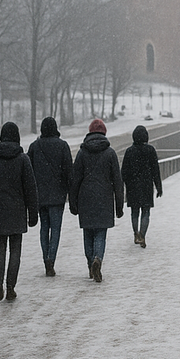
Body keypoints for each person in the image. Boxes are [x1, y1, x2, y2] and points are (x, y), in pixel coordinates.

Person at [0, 122, 38, 301]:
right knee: (15, 251)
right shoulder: (22, 159)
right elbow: (30, 188)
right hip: (17, 210)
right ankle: (10, 286)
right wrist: (33, 213)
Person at [70, 118, 123, 282]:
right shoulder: (110, 153)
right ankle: (97, 259)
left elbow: (75, 179)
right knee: (100, 232)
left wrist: (73, 202)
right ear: (104, 133)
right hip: (104, 197)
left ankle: (90, 265)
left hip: (85, 197)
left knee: (88, 232)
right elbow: (117, 181)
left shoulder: (82, 153)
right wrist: (119, 205)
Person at [28, 116, 72, 276]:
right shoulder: (63, 146)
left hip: (40, 195)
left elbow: (29, 172)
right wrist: (69, 190)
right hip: (57, 195)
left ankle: (45, 257)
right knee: (56, 229)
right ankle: (51, 259)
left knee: (44, 228)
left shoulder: (34, 146)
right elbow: (69, 171)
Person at [121, 125, 162, 248]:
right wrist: (158, 186)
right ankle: (142, 235)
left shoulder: (129, 151)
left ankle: (136, 234)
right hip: (146, 186)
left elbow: (124, 171)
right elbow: (156, 170)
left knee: (134, 212)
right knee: (146, 212)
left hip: (133, 187)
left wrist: (121, 187)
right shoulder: (150, 150)